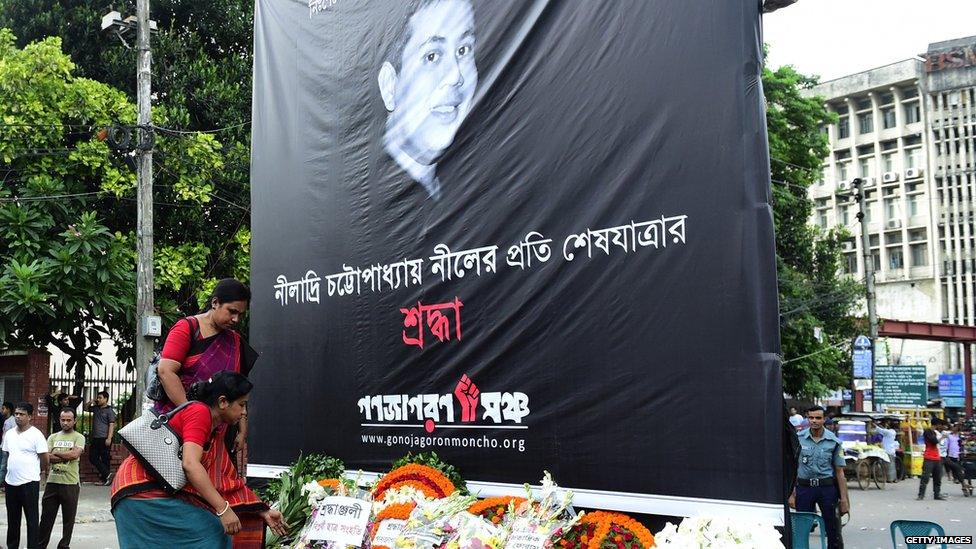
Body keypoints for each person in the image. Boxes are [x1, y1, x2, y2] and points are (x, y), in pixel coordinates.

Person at [111, 372, 286, 548]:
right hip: (141, 489)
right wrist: (224, 510)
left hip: (150, 490)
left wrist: (262, 511)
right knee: (214, 533)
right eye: (241, 405)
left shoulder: (216, 428)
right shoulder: (199, 412)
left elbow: (224, 480)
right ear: (223, 402)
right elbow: (191, 465)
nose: (244, 412)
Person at [377, 0, 478, 200]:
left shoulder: (470, 178)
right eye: (432, 56)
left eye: (463, 50)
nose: (455, 76)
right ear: (390, 86)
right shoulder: (370, 201)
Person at [156, 278, 257, 476]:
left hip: (220, 433)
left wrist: (242, 429)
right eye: (232, 311)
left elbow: (239, 392)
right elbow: (166, 372)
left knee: (219, 488)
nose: (236, 319)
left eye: (240, 315)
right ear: (215, 303)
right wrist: (192, 417)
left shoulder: (235, 342)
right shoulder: (187, 328)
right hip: (180, 428)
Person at [788, 406, 849, 549]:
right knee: (801, 530)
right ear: (807, 418)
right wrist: (791, 494)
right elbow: (793, 469)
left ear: (824, 419)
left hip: (826, 489)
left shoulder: (834, 442)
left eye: (818, 418)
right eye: (811, 418)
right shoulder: (798, 439)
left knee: (833, 530)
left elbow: (840, 472)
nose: (814, 421)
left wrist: (844, 500)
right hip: (804, 489)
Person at [2, 402, 49, 549]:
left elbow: (44, 458)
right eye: (16, 414)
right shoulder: (9, 434)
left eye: (21, 414)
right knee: (13, 519)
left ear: (30, 416)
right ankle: (12, 546)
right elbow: (8, 454)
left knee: (32, 519)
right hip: (11, 482)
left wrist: (40, 472)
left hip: (29, 482)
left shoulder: (36, 434)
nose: (18, 416)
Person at [39, 407, 86, 549]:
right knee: (46, 518)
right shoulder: (52, 437)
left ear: (74, 421)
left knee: (68, 519)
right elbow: (47, 458)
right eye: (63, 420)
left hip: (70, 483)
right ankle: (40, 545)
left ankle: (64, 546)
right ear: (59, 420)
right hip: (52, 482)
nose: (65, 423)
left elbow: (74, 455)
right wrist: (64, 455)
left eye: (68, 420)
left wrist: (56, 452)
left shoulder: (79, 437)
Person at [87, 390, 117, 485]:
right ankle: (108, 475)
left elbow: (112, 425)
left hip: (104, 438)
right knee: (92, 457)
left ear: (106, 399)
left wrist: (109, 438)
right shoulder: (96, 408)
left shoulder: (109, 411)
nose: (98, 399)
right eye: (98, 397)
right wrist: (91, 402)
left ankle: (105, 480)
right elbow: (86, 408)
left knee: (105, 459)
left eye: (100, 398)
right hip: (95, 438)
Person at [943, 423, 972, 496]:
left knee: (958, 470)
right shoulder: (949, 436)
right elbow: (946, 446)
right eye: (953, 427)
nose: (954, 428)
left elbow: (963, 444)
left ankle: (963, 486)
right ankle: (963, 485)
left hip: (959, 455)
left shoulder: (960, 437)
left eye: (956, 427)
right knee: (957, 470)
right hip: (950, 455)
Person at [917, 427, 945, 500]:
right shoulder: (930, 436)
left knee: (937, 478)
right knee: (926, 478)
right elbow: (935, 441)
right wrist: (942, 437)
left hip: (935, 458)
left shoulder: (929, 435)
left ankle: (934, 494)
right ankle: (923, 495)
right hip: (930, 458)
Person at [0, 401, 15, 487]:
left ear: (8, 409)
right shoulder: (6, 421)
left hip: (8, 448)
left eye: (3, 408)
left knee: (3, 467)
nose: (2, 410)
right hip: (3, 446)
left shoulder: (12, 421)